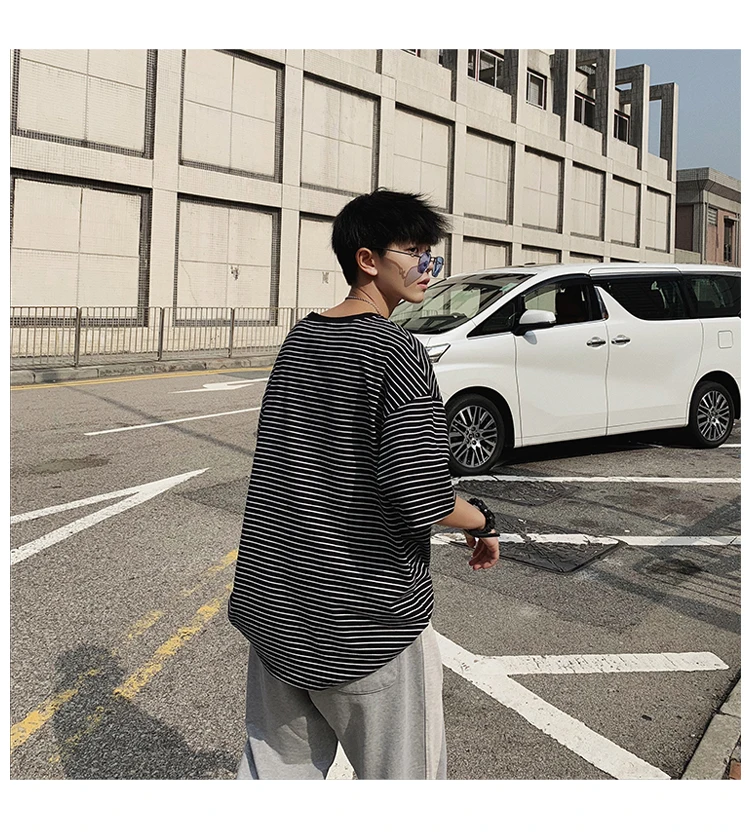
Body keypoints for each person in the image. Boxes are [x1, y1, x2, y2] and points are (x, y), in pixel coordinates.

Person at [228, 188, 500, 780]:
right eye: (415, 253)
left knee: (273, 777)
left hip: (277, 606)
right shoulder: (396, 349)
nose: (428, 267)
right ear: (367, 260)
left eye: (431, 255)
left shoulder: (301, 338)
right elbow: (421, 496)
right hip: (366, 619)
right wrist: (483, 519)